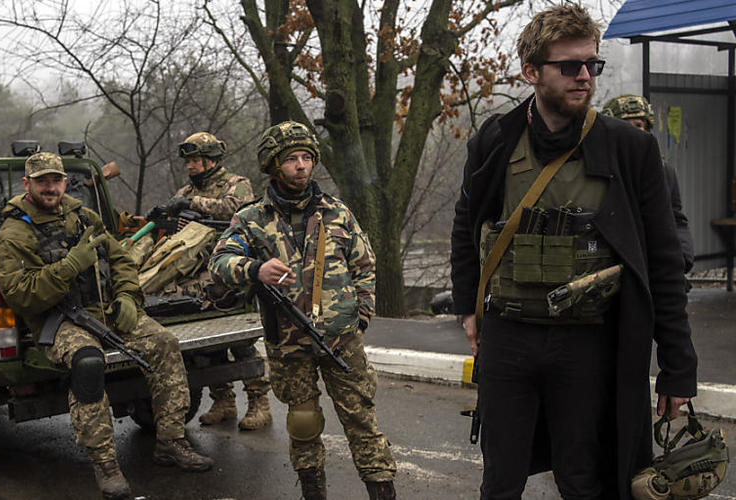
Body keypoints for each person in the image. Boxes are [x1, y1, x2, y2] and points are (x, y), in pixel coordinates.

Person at [450, 5, 698, 499]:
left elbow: (662, 263)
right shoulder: (496, 140)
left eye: (592, 64)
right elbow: (467, 224)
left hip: (590, 342)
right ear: (531, 72)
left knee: (585, 480)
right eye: (569, 66)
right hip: (509, 338)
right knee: (499, 481)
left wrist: (678, 367)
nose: (584, 76)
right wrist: (467, 307)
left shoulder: (630, 149)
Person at [0, 152, 213, 500]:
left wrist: (127, 297)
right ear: (27, 184)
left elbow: (121, 258)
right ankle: (106, 465)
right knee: (88, 363)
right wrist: (68, 266)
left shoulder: (83, 217)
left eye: (55, 180)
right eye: (42, 181)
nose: (50, 187)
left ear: (65, 182)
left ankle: (170, 441)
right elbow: (21, 294)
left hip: (106, 311)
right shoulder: (14, 233)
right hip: (59, 320)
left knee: (164, 344)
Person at [209, 122, 397, 500]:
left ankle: (383, 492)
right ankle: (313, 492)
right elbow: (219, 263)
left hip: (341, 339)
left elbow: (365, 265)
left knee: (362, 421)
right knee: (303, 423)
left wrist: (361, 316)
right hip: (289, 343)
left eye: (307, 158)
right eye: (292, 159)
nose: (301, 166)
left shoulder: (336, 212)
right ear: (274, 165)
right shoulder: (252, 219)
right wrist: (255, 269)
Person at [167, 132, 273, 430]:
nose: (190, 166)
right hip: (194, 279)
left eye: (195, 160)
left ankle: (259, 402)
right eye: (188, 161)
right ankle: (223, 400)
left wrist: (191, 204)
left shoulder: (236, 184)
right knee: (205, 343)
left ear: (211, 160)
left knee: (238, 340)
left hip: (229, 275)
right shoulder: (185, 191)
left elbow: (233, 209)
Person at [602, 94, 695, 272]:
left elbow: (675, 218)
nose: (633, 132)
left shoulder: (663, 172)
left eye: (638, 125)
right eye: (624, 125)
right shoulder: (598, 171)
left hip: (655, 270)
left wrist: (683, 256)